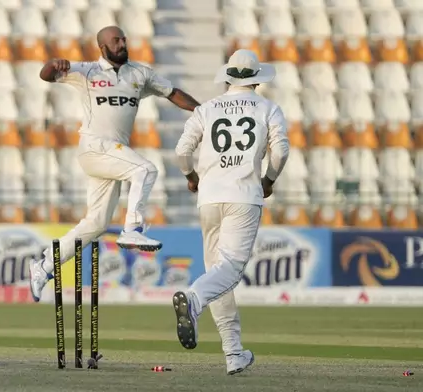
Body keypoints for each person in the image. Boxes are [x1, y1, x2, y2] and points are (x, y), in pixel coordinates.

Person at [29, 25, 201, 302]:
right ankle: (133, 229)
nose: (122, 44)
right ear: (102, 47)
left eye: (123, 39)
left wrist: (203, 110)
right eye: (115, 41)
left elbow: (172, 92)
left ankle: (44, 265)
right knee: (145, 169)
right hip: (94, 147)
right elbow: (46, 75)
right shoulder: (86, 71)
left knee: (95, 224)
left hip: (112, 155)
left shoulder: (140, 73)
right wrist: (52, 64)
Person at [171, 49, 289, 375]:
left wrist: (191, 177)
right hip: (244, 195)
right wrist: (268, 180)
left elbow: (182, 152)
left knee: (218, 275)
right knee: (230, 272)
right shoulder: (268, 108)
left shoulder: (207, 109)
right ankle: (193, 300)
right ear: (257, 79)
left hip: (209, 198)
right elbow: (280, 151)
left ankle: (233, 353)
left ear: (228, 77)